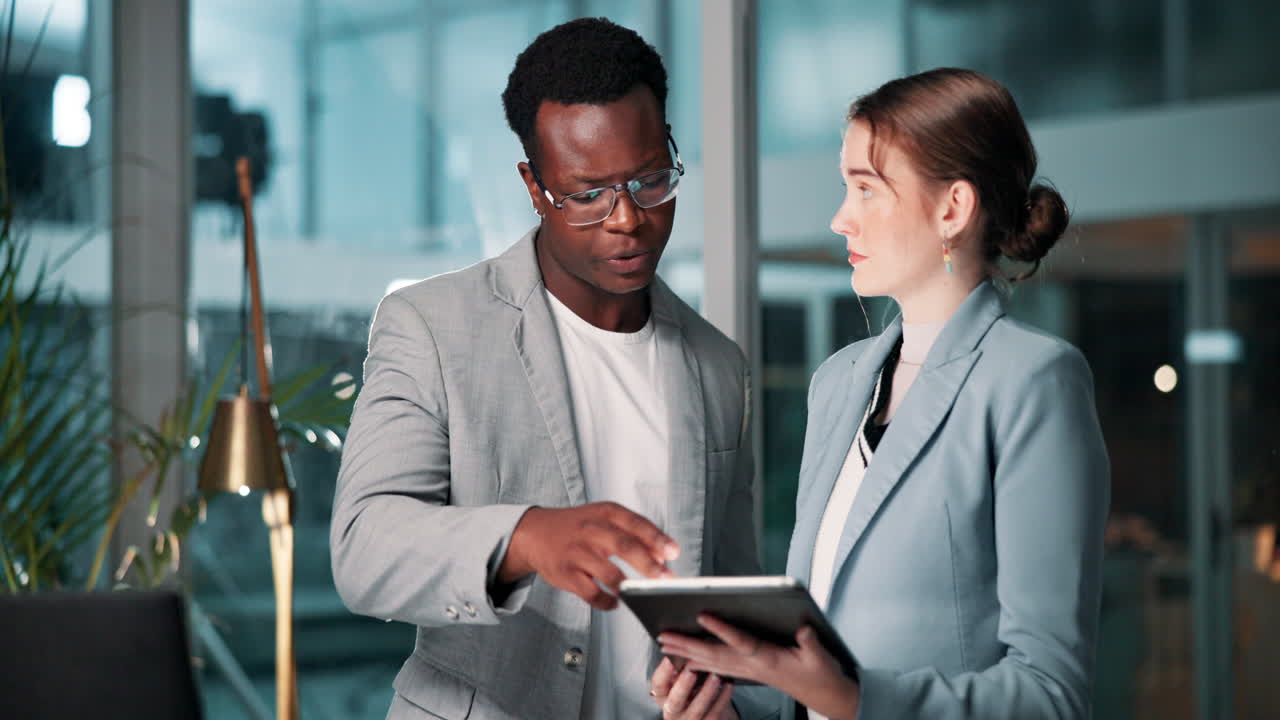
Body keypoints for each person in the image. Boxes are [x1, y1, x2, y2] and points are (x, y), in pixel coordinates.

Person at [330, 17, 761, 720]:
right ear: (534, 187)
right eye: (587, 193)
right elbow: (364, 550)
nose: (627, 218)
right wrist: (526, 537)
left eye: (650, 180)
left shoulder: (718, 366)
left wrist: (728, 699)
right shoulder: (431, 327)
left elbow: (729, 601)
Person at [652, 67, 1110, 720]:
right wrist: (727, 704)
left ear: (953, 208)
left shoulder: (1033, 382)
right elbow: (809, 675)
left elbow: (1050, 695)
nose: (841, 218)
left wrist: (852, 698)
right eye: (846, 187)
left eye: (866, 190)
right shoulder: (838, 383)